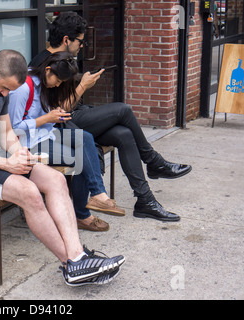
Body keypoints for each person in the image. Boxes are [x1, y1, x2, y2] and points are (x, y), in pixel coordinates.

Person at [0, 49, 125, 286]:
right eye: (4, 89)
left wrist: (19, 153)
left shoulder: (1, 92)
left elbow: (6, 134)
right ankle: (71, 263)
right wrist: (6, 163)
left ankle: (78, 256)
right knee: (29, 192)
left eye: (9, 91)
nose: (5, 95)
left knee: (55, 180)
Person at [29, 12, 192, 222]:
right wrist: (82, 87)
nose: (82, 46)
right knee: (123, 110)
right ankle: (153, 161)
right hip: (62, 125)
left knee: (123, 134)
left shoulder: (63, 59)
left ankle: (145, 200)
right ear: (66, 40)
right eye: (80, 41)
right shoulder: (43, 65)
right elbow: (56, 114)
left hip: (78, 115)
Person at [9, 51, 125, 232]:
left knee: (85, 138)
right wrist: (47, 118)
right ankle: (82, 215)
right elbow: (12, 128)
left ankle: (98, 194)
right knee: (78, 158)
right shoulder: (24, 87)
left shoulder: (47, 86)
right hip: (26, 143)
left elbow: (48, 118)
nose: (58, 84)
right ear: (48, 70)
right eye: (59, 80)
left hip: (47, 133)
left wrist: (56, 116)